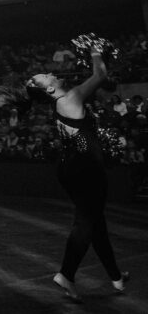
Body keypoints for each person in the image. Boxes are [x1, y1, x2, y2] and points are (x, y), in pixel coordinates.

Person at [27, 53, 129, 302]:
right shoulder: (70, 98)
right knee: (86, 223)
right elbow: (100, 76)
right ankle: (66, 274)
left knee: (96, 224)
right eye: (46, 76)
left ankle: (116, 278)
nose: (51, 73)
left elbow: (82, 135)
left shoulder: (61, 103)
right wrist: (95, 51)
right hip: (86, 169)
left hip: (70, 167)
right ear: (49, 88)